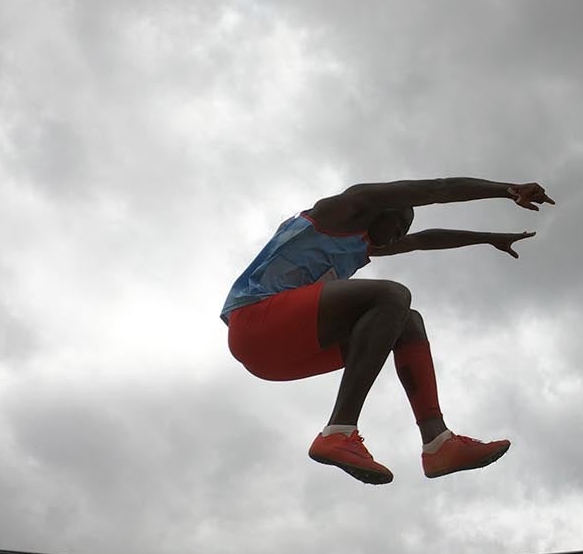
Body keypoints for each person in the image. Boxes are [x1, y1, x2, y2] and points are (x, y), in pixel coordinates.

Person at [221, 178, 555, 485]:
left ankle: (438, 443)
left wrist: (488, 238)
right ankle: (339, 430)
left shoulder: (365, 245)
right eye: (398, 224)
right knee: (391, 295)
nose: (399, 235)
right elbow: (436, 190)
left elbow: (425, 240)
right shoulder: (343, 209)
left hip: (280, 360)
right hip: (254, 322)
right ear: (379, 211)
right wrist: (508, 190)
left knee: (407, 321)